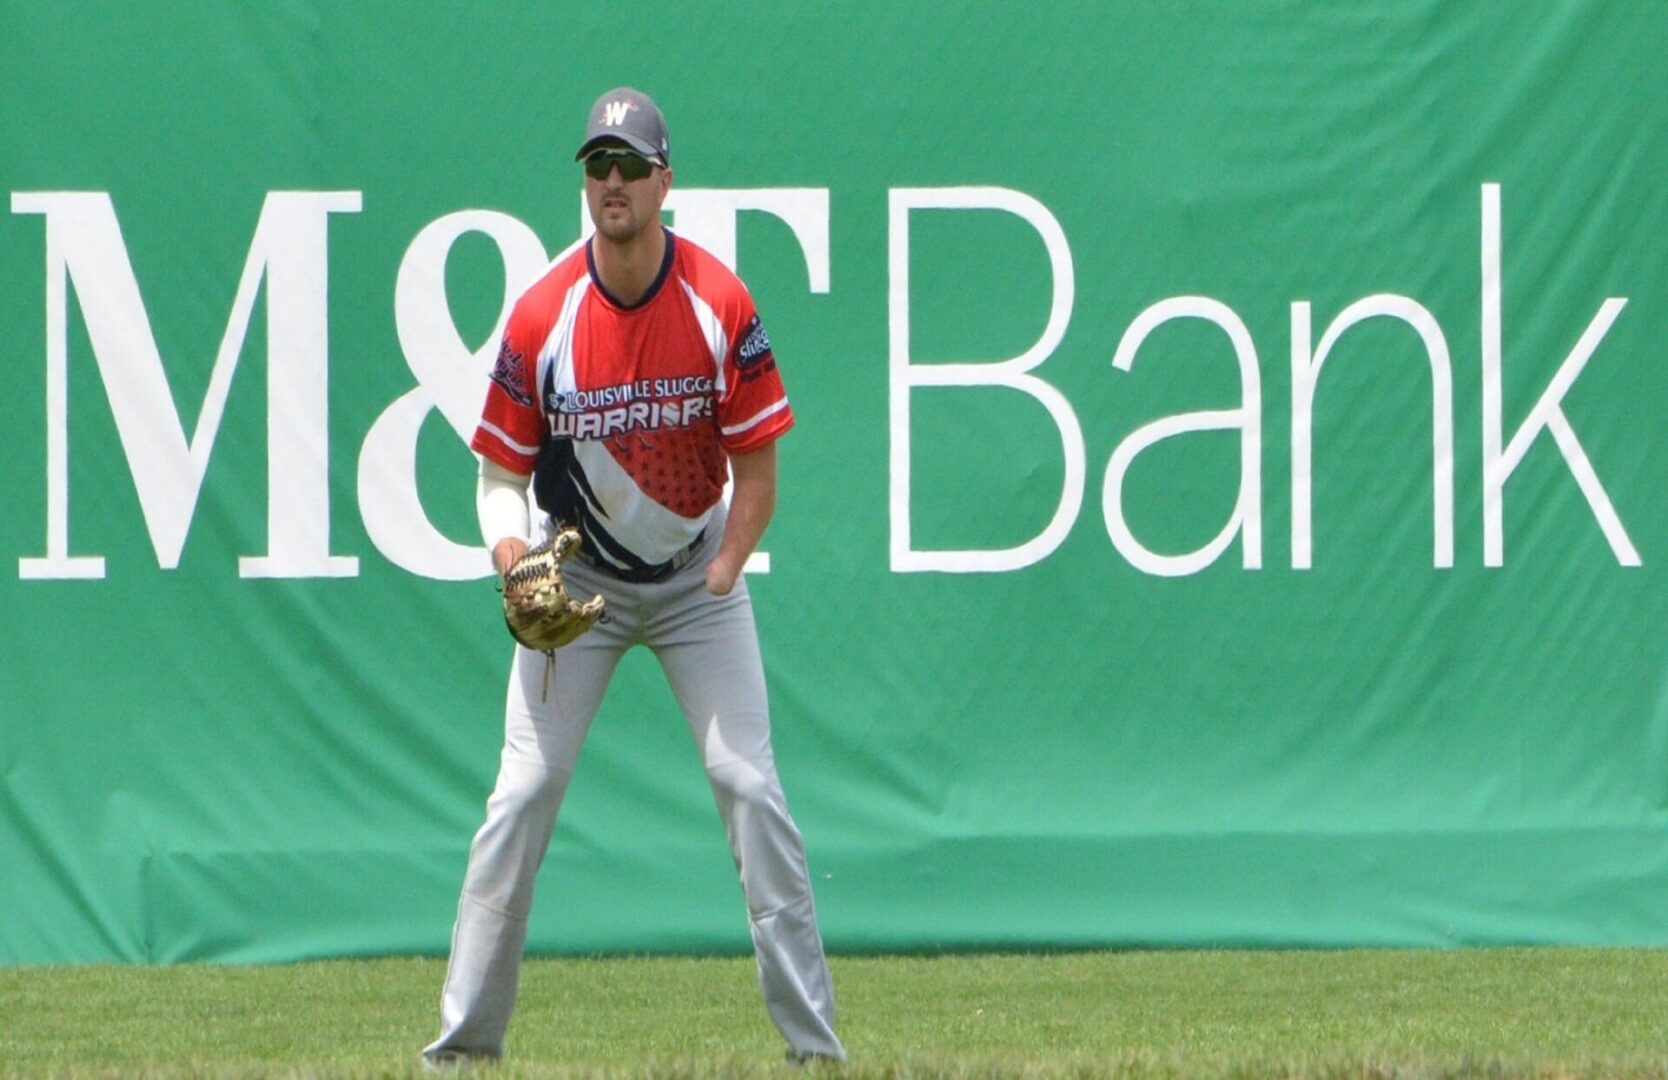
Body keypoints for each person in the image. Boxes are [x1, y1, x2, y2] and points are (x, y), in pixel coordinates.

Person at [422, 87, 845, 1068]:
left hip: (700, 581)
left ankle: (815, 1050)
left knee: (748, 783)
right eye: (595, 165)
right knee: (523, 792)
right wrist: (513, 563)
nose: (610, 183)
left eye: (628, 165)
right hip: (585, 599)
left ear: (665, 179)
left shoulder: (716, 302)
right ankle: (461, 1049)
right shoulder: (543, 315)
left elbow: (759, 469)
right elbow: (496, 476)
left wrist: (728, 565)